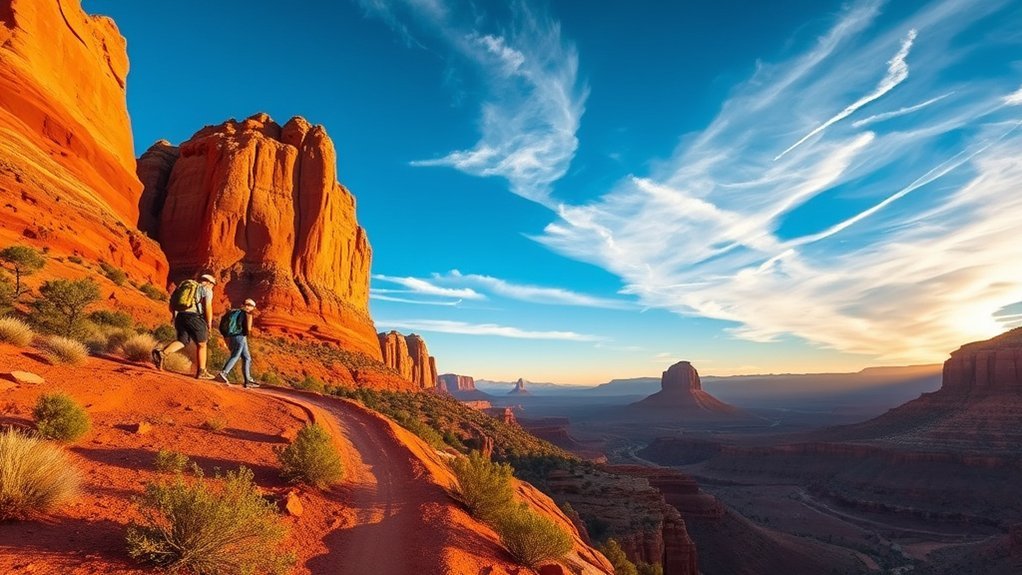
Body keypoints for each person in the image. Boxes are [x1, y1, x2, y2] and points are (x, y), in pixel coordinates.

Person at [151, 273, 218, 380]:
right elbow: (208, 307)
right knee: (202, 344)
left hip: (180, 316)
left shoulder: (186, 286)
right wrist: (209, 324)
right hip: (194, 317)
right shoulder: (206, 289)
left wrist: (174, 316)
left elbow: (172, 303)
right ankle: (202, 371)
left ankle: (162, 353)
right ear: (210, 283)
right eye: (213, 284)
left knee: (183, 340)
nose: (213, 286)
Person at [217, 298, 260, 389]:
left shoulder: (232, 312)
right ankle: (223, 373)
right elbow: (248, 329)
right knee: (235, 355)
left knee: (247, 357)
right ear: (250, 306)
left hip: (231, 336)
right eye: (252, 306)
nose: (252, 308)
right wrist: (247, 334)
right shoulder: (247, 314)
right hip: (240, 336)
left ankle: (248, 380)